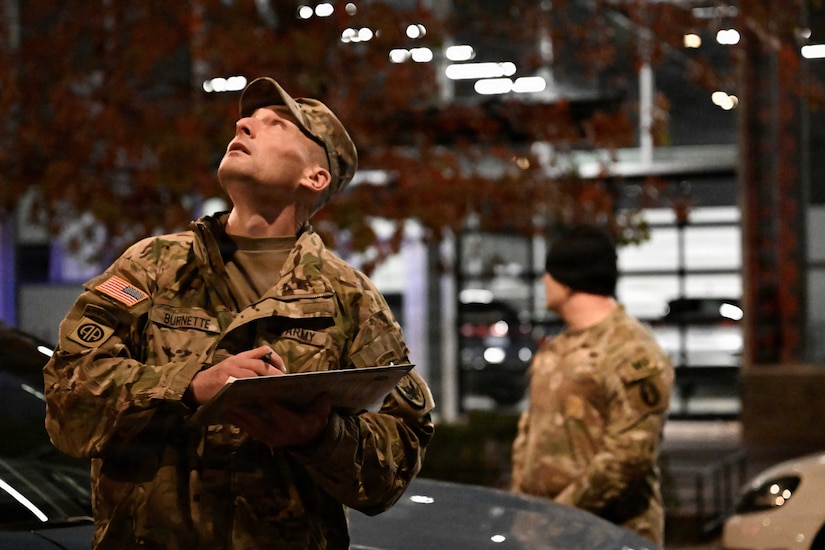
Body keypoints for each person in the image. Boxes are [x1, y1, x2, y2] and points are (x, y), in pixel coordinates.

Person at [42, 76, 435, 550]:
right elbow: (67, 392)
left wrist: (320, 436)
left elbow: (398, 455)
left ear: (315, 177)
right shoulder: (152, 267)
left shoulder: (349, 298)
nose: (244, 123)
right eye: (248, 118)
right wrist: (188, 386)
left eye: (277, 125)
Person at [510, 224, 673, 544]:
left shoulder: (632, 352)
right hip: (547, 535)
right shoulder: (558, 349)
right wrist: (524, 511)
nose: (544, 281)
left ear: (572, 279)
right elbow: (530, 434)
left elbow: (629, 457)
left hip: (608, 536)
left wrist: (559, 514)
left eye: (551, 272)